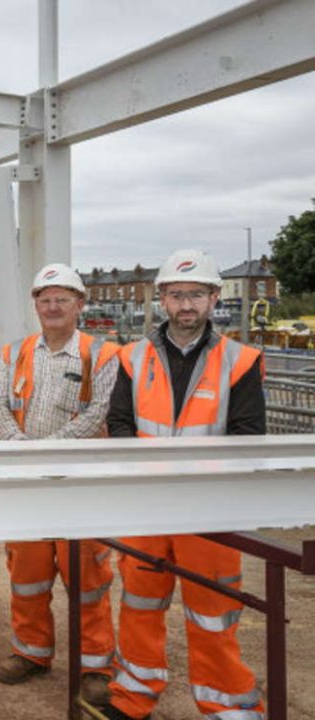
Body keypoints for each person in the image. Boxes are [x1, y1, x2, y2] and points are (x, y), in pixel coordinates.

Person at [102, 249, 265, 720]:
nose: (186, 304)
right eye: (177, 295)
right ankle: (133, 694)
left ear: (214, 298)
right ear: (163, 300)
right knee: (139, 605)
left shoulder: (240, 360)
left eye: (196, 294)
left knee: (213, 613)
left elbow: (248, 438)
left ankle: (225, 706)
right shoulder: (133, 358)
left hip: (209, 512)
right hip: (148, 507)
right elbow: (120, 424)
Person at [0, 263, 119, 708]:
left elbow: (98, 414)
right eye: (45, 299)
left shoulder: (103, 355)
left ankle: (97, 666)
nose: (53, 306)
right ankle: (32, 651)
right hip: (27, 486)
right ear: (36, 306)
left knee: (88, 580)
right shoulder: (15, 353)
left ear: (80, 304)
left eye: (62, 298)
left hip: (80, 488)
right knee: (27, 575)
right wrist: (22, 448)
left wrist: (43, 452)